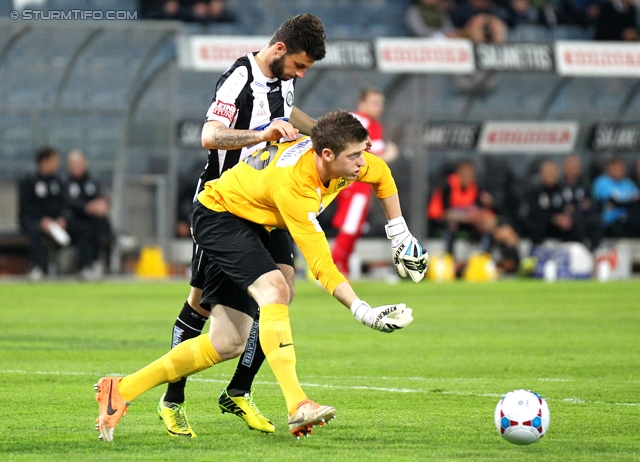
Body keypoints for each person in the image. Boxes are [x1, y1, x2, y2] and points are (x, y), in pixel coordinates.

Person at [94, 110, 427, 442]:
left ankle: (120, 389)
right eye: (354, 155)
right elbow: (322, 265)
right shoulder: (296, 187)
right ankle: (298, 404)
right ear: (326, 155)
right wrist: (363, 311)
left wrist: (399, 234)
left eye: (362, 152)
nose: (361, 162)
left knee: (227, 343)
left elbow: (382, 175)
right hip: (221, 214)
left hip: (258, 215)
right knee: (275, 289)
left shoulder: (349, 162)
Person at [157, 13, 326, 438]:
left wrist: (326, 134)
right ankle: (172, 398)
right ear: (280, 49)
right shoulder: (238, 78)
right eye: (301, 65)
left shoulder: (284, 77)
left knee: (280, 291)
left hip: (266, 204)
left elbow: (289, 110)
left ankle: (238, 391)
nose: (301, 74)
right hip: (223, 205)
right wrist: (263, 134)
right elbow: (210, 136)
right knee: (199, 303)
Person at [330, 87, 399, 277]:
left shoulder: (361, 122)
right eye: (374, 103)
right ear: (362, 103)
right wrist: (389, 155)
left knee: (355, 225)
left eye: (381, 103)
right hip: (353, 183)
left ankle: (341, 267)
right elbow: (367, 156)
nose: (379, 107)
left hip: (353, 182)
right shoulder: (362, 122)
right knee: (351, 225)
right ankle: (334, 268)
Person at [427, 160, 520, 272]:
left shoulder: (476, 187)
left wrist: (487, 214)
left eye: (471, 174)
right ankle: (451, 263)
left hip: (472, 224)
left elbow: (483, 210)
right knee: (452, 225)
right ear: (459, 173)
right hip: (444, 222)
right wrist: (469, 217)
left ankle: (491, 262)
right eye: (466, 173)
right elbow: (446, 213)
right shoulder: (447, 186)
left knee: (498, 229)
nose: (469, 177)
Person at [18, 147, 70, 281]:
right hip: (33, 221)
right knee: (36, 232)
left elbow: (65, 204)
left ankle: (85, 267)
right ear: (44, 162)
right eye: (54, 161)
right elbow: (26, 208)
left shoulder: (59, 181)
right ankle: (38, 268)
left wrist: (62, 218)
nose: (58, 164)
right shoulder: (28, 182)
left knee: (82, 228)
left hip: (56, 222)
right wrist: (42, 221)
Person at [64, 150, 112, 280]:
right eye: (73, 164)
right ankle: (85, 266)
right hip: (74, 221)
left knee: (101, 223)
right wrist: (86, 207)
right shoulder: (65, 183)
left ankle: (97, 262)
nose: (76, 166)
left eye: (79, 163)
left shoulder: (93, 182)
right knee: (84, 229)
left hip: (93, 221)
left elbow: (102, 198)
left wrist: (102, 205)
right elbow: (67, 202)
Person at [523, 160, 589, 246]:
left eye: (553, 172)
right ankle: (537, 251)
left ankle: (578, 249)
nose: (551, 175)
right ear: (541, 174)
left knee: (577, 222)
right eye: (547, 173)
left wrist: (566, 217)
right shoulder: (534, 191)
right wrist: (554, 218)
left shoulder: (563, 189)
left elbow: (569, 206)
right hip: (544, 224)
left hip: (561, 226)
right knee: (537, 226)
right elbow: (534, 213)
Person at [560, 154, 602, 250]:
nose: (574, 168)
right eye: (571, 166)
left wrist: (576, 207)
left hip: (583, 216)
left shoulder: (585, 184)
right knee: (575, 221)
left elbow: (589, 204)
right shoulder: (559, 185)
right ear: (564, 167)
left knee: (596, 220)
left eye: (576, 166)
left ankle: (594, 250)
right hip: (566, 218)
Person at [592, 157, 640, 237]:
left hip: (629, 218)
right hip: (611, 221)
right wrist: (629, 201)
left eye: (621, 167)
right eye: (616, 167)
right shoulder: (602, 181)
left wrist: (625, 202)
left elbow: (636, 201)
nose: (619, 170)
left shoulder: (628, 183)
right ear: (609, 168)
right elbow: (613, 201)